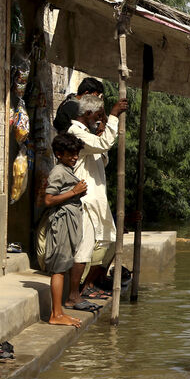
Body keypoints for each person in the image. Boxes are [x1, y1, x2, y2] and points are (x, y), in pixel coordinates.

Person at [64, 92, 128, 300]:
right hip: (85, 200)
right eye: (98, 116)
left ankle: (85, 286)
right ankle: (74, 294)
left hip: (96, 200)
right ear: (89, 113)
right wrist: (114, 116)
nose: (100, 120)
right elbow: (103, 145)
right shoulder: (76, 132)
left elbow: (103, 157)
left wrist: (104, 128)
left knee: (108, 241)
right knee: (83, 250)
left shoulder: (88, 135)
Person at [42, 134, 88, 327]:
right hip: (61, 224)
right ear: (59, 154)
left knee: (64, 267)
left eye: (76, 154)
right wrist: (74, 192)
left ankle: (59, 312)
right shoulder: (58, 172)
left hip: (69, 223)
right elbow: (48, 200)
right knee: (59, 270)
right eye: (71, 154)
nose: (75, 157)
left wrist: (75, 193)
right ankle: (56, 314)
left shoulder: (67, 170)